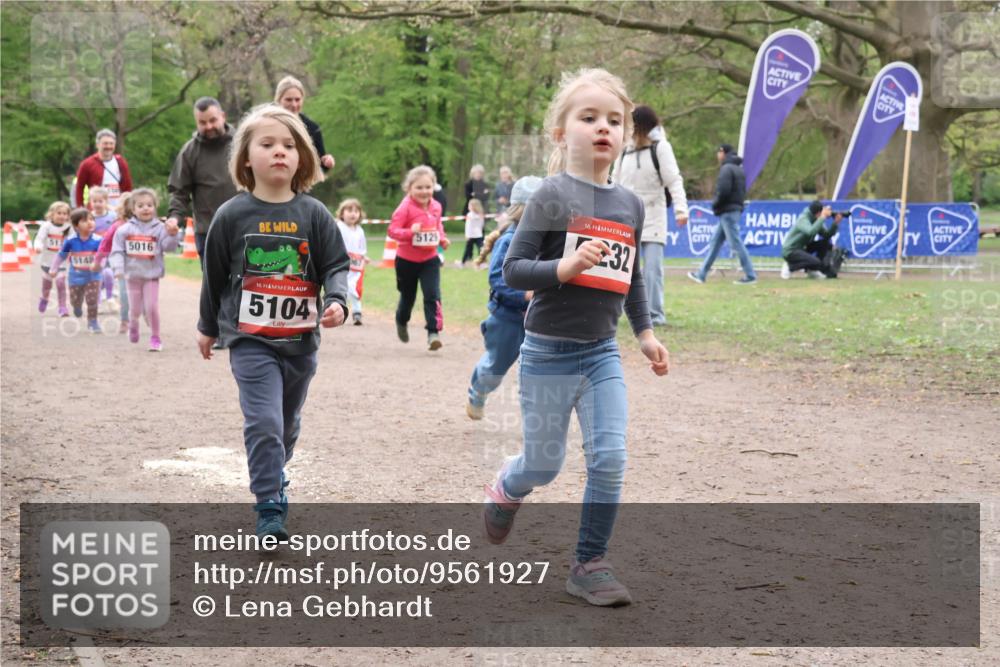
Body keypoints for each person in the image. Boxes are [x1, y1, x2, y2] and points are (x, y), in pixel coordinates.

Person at [483, 68, 670, 608]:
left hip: (601, 353)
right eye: (588, 118)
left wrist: (646, 334)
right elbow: (514, 270)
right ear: (561, 133)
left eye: (615, 120)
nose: (603, 128)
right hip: (546, 353)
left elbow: (631, 277)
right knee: (544, 465)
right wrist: (562, 267)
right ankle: (508, 487)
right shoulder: (550, 194)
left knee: (609, 459)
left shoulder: (629, 205)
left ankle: (589, 563)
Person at [197, 104, 349, 539]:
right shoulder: (231, 215)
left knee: (285, 424)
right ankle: (268, 505)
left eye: (288, 145)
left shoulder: (314, 214)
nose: (279, 152)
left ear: (302, 155)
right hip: (249, 339)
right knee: (262, 421)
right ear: (246, 157)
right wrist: (208, 325)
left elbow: (336, 264)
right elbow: (212, 276)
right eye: (267, 144)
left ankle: (275, 472)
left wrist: (337, 300)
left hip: (300, 341)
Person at [466, 175, 542, 420]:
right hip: (507, 318)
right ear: (521, 210)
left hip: (538, 319)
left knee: (538, 369)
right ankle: (478, 390)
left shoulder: (548, 240)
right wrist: (525, 294)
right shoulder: (508, 241)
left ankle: (535, 417)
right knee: (495, 368)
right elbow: (497, 280)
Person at [612, 105, 688, 326]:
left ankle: (655, 314)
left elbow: (673, 180)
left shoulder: (661, 148)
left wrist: (681, 209)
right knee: (624, 269)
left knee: (652, 270)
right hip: (626, 216)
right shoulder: (624, 150)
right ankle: (627, 312)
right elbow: (614, 182)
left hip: (654, 215)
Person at [166, 97, 239, 260]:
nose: (209, 126)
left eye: (213, 120)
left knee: (246, 282)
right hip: (208, 231)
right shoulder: (190, 152)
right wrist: (174, 217)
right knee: (214, 284)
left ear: (223, 116)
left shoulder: (243, 144)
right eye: (202, 123)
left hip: (243, 227)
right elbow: (179, 191)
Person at [388, 165, 451, 350]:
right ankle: (401, 320)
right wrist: (409, 232)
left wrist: (442, 238)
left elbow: (437, 225)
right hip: (406, 261)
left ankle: (433, 333)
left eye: (428, 187)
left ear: (433, 187)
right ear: (409, 189)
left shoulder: (437, 206)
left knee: (433, 295)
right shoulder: (404, 208)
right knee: (408, 297)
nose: (424, 191)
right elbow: (392, 231)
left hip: (430, 259)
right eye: (419, 187)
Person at [109, 188, 180, 350]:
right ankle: (133, 324)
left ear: (155, 207)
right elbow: (117, 250)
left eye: (149, 205)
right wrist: (118, 268)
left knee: (151, 307)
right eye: (140, 205)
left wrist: (173, 235)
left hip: (151, 276)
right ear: (133, 209)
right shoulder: (124, 230)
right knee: (134, 309)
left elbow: (168, 248)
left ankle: (155, 338)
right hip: (132, 276)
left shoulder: (161, 228)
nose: (145, 208)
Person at [687, 143, 757, 285]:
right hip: (733, 210)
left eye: (719, 152)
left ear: (723, 153)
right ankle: (701, 274)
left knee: (736, 244)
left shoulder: (726, 169)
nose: (717, 155)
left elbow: (723, 191)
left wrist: (716, 204)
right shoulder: (739, 169)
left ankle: (750, 275)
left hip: (727, 212)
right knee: (715, 243)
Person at [49, 208, 103, 333]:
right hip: (76, 276)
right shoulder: (70, 240)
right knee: (75, 299)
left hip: (93, 275)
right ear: (75, 225)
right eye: (85, 221)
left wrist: (99, 265)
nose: (90, 223)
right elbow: (61, 255)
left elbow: (102, 256)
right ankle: (77, 306)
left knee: (92, 299)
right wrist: (54, 268)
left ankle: (93, 322)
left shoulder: (98, 240)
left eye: (91, 219)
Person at [274, 76, 335, 172]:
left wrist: (327, 162)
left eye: (297, 100)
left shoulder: (313, 129)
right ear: (278, 100)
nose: (294, 105)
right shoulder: (265, 126)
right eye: (288, 100)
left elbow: (320, 166)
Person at [95, 192, 134, 334]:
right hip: (123, 265)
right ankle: (125, 321)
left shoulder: (146, 225)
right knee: (124, 293)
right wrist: (98, 260)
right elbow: (105, 244)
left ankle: (145, 312)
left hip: (143, 266)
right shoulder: (118, 225)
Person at [781, 201, 845, 279]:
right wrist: (823, 217)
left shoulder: (816, 219)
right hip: (791, 250)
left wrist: (835, 223)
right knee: (816, 261)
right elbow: (810, 232)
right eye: (821, 212)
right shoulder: (803, 219)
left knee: (825, 244)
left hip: (803, 248)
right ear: (818, 213)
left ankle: (812, 270)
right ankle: (790, 266)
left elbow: (827, 235)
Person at [74, 129, 133, 210]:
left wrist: (127, 207)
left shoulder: (121, 162)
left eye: (111, 143)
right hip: (97, 210)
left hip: (118, 209)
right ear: (97, 145)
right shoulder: (87, 164)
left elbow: (127, 187)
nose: (108, 146)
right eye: (105, 143)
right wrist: (81, 209)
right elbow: (79, 188)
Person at [335, 198, 371, 325]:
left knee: (354, 288)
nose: (353, 214)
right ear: (342, 213)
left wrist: (364, 256)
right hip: (340, 264)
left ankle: (357, 312)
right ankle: (338, 312)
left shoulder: (359, 230)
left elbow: (362, 248)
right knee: (341, 288)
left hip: (355, 266)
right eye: (349, 210)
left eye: (356, 211)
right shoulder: (339, 227)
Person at [34, 201, 72, 317]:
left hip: (61, 262)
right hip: (47, 261)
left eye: (65, 214)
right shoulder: (46, 226)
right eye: (59, 213)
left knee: (61, 283)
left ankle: (62, 307)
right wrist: (38, 246)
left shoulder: (68, 227)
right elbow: (39, 239)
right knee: (47, 285)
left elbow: (72, 241)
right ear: (51, 214)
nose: (62, 216)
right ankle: (44, 298)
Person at [459, 198, 486, 267]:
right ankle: (481, 263)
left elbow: (468, 226)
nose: (468, 207)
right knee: (479, 249)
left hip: (472, 235)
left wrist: (467, 235)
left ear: (473, 206)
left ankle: (463, 263)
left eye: (469, 205)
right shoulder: (479, 215)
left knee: (474, 249)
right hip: (477, 234)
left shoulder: (470, 215)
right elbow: (482, 225)